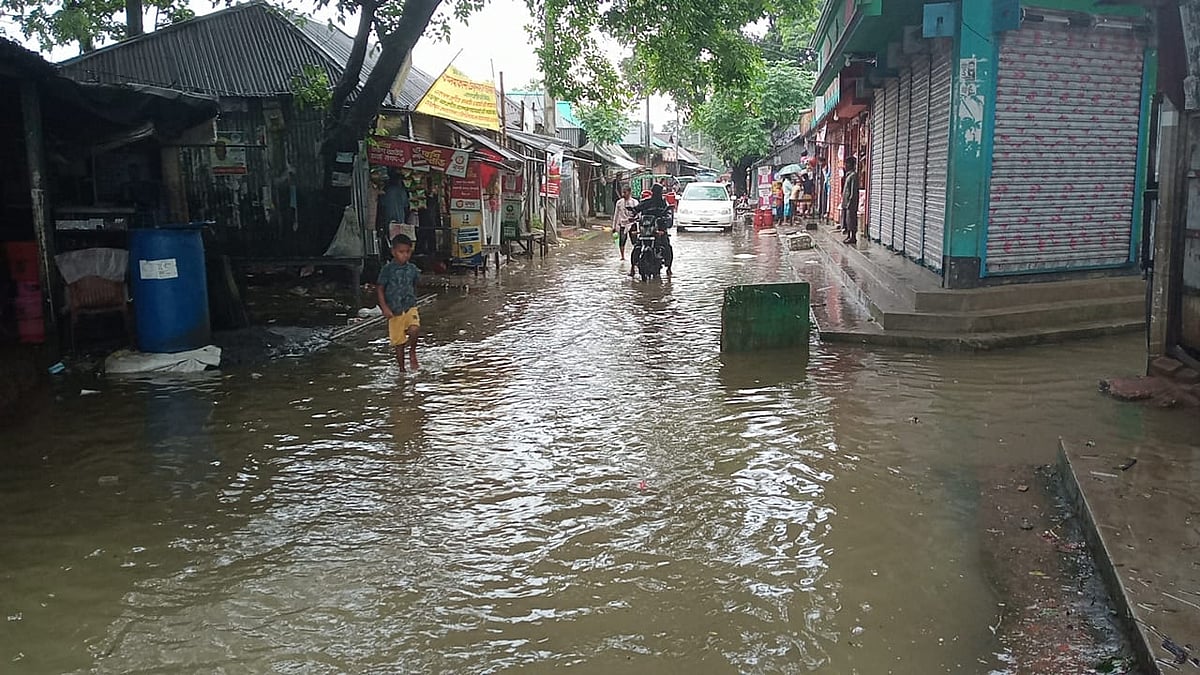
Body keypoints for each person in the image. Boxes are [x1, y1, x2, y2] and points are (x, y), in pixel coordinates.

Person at [376, 234, 422, 371]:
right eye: (401, 252)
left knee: (415, 328)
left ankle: (412, 351)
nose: (405, 255)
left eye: (408, 252)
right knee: (399, 343)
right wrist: (384, 307)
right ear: (393, 252)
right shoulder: (388, 269)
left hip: (409, 306)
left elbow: (415, 284)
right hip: (394, 310)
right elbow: (380, 288)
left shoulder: (412, 269)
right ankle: (402, 369)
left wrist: (413, 298)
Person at [629, 184, 674, 277]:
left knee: (667, 247)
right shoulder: (646, 202)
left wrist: (666, 222)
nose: (658, 194)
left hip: (659, 230)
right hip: (646, 230)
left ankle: (669, 268)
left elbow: (668, 214)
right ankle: (632, 268)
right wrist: (632, 215)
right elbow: (636, 209)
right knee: (637, 247)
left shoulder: (663, 203)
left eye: (659, 192)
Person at [612, 185, 638, 261]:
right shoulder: (619, 202)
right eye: (623, 192)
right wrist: (614, 227)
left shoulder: (634, 202)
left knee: (635, 241)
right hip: (623, 224)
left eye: (625, 192)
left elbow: (638, 214)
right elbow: (616, 215)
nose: (623, 194)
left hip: (632, 224)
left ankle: (635, 256)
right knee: (622, 241)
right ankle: (622, 256)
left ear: (629, 192)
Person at [841, 156, 860, 245]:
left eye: (846, 164)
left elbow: (853, 191)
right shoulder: (848, 175)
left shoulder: (853, 175)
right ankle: (849, 235)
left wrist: (850, 202)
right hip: (846, 202)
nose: (845, 166)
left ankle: (853, 237)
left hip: (850, 203)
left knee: (851, 220)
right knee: (847, 220)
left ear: (850, 165)